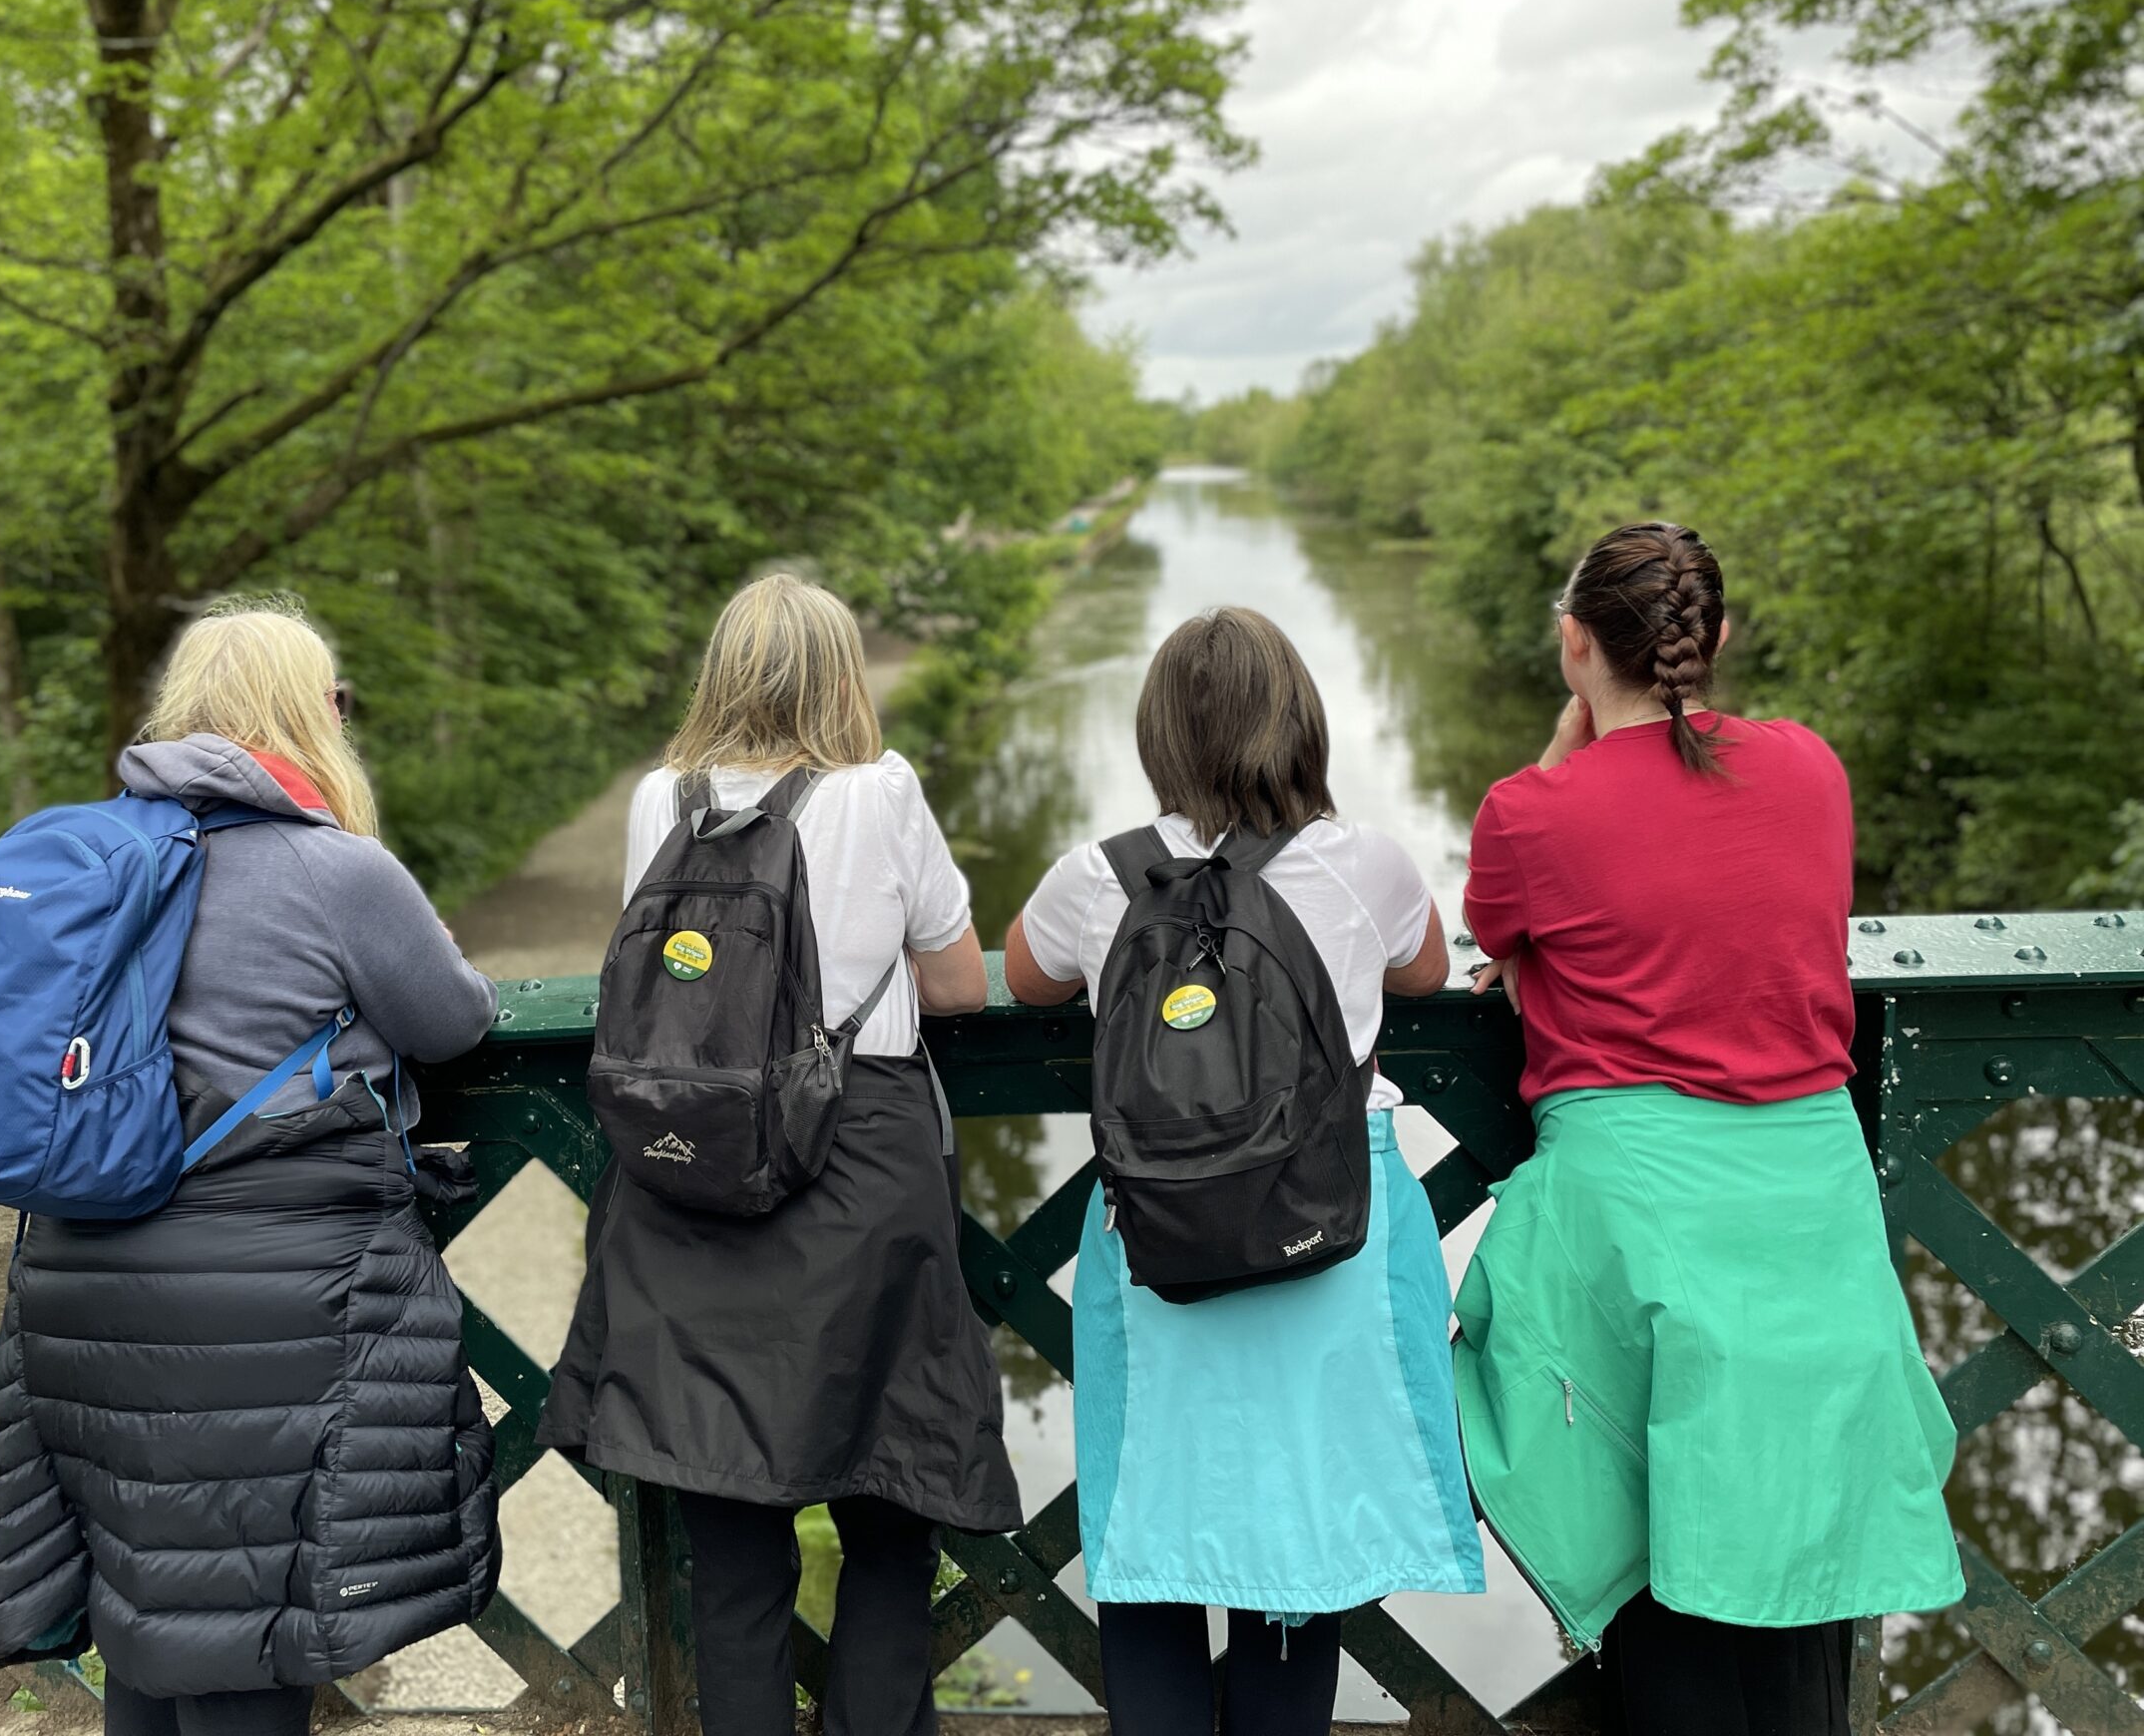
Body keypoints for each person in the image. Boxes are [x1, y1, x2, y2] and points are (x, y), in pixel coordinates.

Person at [1453, 522, 1962, 1734]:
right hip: (1805, 1198)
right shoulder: (1809, 769)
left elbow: (1498, 931)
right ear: (1715, 640)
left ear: (1575, 645)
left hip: (1636, 1212)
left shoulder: (1529, 812)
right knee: (1796, 1544)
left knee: (1651, 1545)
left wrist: (1571, 746)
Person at [0, 601, 504, 1736]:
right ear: (311, 715)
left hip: (79, 1281)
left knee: (151, 1607)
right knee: (247, 1642)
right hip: (269, 1298)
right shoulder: (333, 870)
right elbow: (452, 1018)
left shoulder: (88, 857)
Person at [540, 574, 1021, 1736]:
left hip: (686, 1176)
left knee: (733, 1535)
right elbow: (958, 980)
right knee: (888, 1506)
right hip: (857, 1171)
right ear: (843, 676)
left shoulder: (665, 800)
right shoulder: (882, 791)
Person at [1004, 606, 1484, 1736]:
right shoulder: (1365, 861)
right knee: (1299, 1552)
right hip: (1330, 1230)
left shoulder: (1096, 876)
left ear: (1158, 736)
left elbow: (1024, 980)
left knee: (1153, 1533)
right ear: (1300, 724)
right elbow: (1422, 973)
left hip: (1157, 1235)